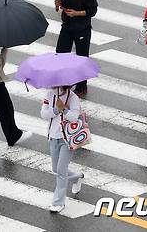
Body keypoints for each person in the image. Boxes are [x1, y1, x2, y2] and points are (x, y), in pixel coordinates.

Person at [40, 86, 85, 214]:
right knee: (55, 168)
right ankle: (77, 177)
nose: (56, 87)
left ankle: (58, 202)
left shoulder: (73, 98)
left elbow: (75, 117)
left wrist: (64, 109)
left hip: (67, 139)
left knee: (60, 170)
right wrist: (55, 110)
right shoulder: (49, 95)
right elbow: (43, 114)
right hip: (53, 137)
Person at [54, 0, 98, 98]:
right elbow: (66, 3)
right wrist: (60, 4)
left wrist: (76, 13)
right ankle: (64, 81)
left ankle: (82, 87)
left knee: (81, 58)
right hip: (67, 25)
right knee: (61, 53)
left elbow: (92, 10)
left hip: (82, 28)